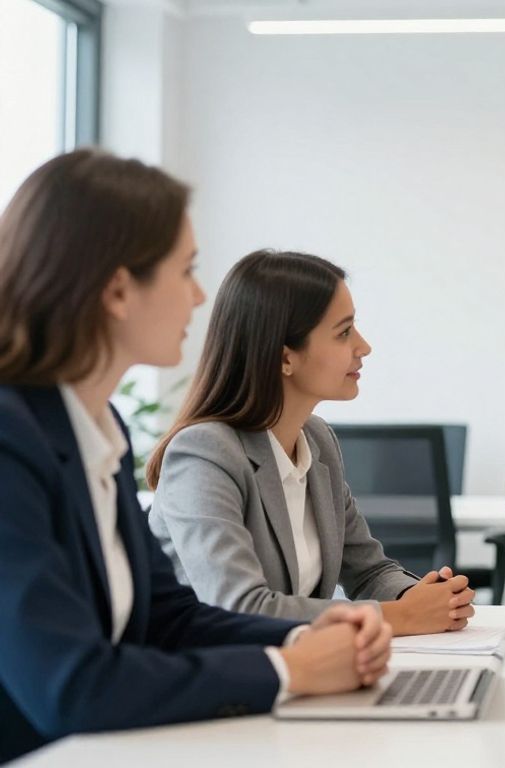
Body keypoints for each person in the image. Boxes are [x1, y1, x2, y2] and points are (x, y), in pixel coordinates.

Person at [0, 150, 390, 763]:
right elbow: (72, 684)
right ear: (118, 290)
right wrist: (289, 670)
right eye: (186, 270)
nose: (200, 294)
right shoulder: (9, 442)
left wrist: (313, 635)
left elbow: (170, 618)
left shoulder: (98, 430)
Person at [146, 250, 476, 635]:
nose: (364, 346)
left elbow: (369, 571)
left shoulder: (317, 440)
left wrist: (425, 597)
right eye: (344, 332)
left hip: (293, 661)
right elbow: (240, 608)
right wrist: (402, 616)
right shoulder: (204, 455)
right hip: (213, 666)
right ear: (285, 358)